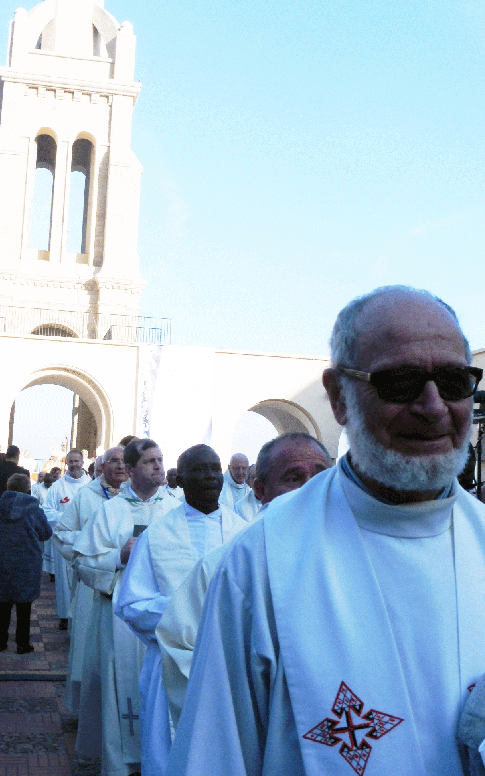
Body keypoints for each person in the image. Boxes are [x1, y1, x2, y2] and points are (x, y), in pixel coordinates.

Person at [166, 285, 485, 776]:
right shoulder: (260, 564)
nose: (434, 406)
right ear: (338, 397)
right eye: (400, 382)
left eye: (454, 381)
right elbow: (214, 757)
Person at [157, 433, 332, 728]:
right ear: (260, 489)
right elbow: (181, 651)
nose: (310, 487)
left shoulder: (360, 559)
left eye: (320, 476)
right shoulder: (226, 566)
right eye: (293, 477)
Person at [116, 445, 247, 776]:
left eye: (214, 468)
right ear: (181, 477)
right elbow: (132, 605)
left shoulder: (244, 534)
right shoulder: (156, 535)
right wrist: (191, 615)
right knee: (169, 755)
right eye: (199, 470)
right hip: (171, 663)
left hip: (231, 664)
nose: (209, 476)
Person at [72, 439, 180, 776]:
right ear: (131, 471)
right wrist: (118, 556)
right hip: (118, 616)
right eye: (150, 462)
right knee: (118, 691)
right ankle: (120, 766)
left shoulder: (175, 508)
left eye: (160, 460)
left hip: (164, 619)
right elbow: (82, 561)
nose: (159, 467)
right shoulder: (111, 511)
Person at [53, 446, 127, 714]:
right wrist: (88, 547)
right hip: (91, 584)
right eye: (114, 461)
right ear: (102, 466)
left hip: (127, 585)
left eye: (124, 461)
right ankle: (83, 712)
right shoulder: (87, 496)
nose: (120, 466)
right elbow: (61, 534)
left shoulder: (138, 499)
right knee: (87, 649)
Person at [0, 473, 52, 653]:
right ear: (27, 488)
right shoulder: (33, 508)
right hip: (27, 561)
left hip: (3, 559)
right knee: (24, 606)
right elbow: (45, 532)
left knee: (3, 604)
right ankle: (22, 643)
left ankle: (0, 642)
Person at [44, 449, 90, 629]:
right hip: (65, 540)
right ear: (66, 464)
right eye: (71, 461)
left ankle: (82, 615)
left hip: (85, 540)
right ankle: (64, 615)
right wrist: (68, 520)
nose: (74, 465)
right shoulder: (58, 486)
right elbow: (47, 511)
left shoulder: (91, 485)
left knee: (84, 579)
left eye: (77, 461)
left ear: (82, 462)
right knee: (63, 580)